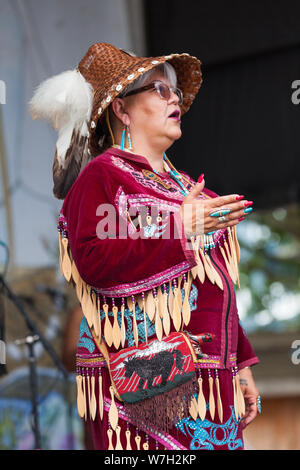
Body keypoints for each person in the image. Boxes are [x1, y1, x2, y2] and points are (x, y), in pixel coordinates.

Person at [29, 42, 260, 451]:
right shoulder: (102, 176)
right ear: (122, 110)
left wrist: (241, 364)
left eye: (175, 92)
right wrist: (178, 227)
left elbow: (216, 283)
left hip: (212, 382)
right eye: (160, 90)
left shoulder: (188, 188)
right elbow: (94, 262)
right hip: (147, 385)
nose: (175, 100)